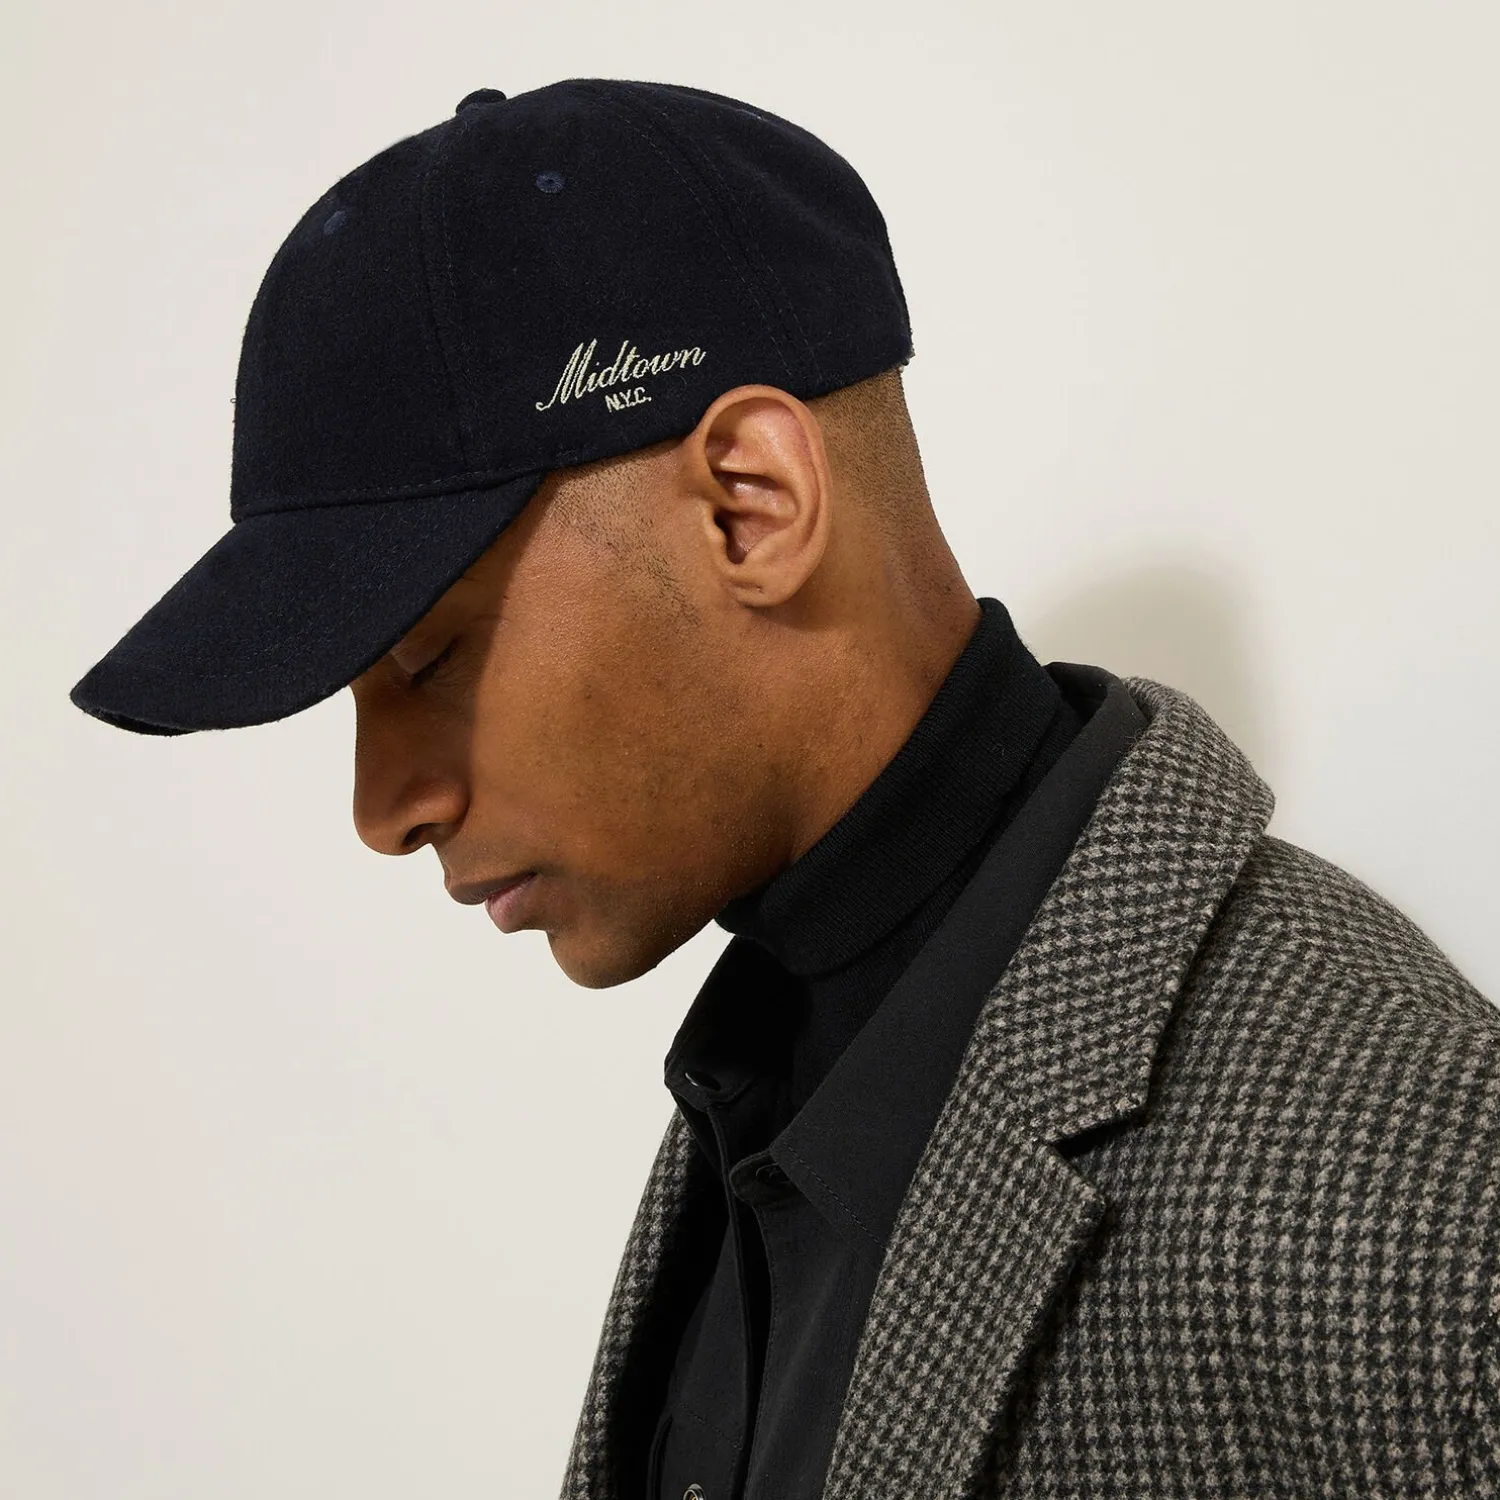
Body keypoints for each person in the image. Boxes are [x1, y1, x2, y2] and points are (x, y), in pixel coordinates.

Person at [69, 79, 1500, 1500]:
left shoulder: (1419, 1199)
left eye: (425, 658)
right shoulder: (774, 1070)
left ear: (749, 504)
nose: (384, 809)